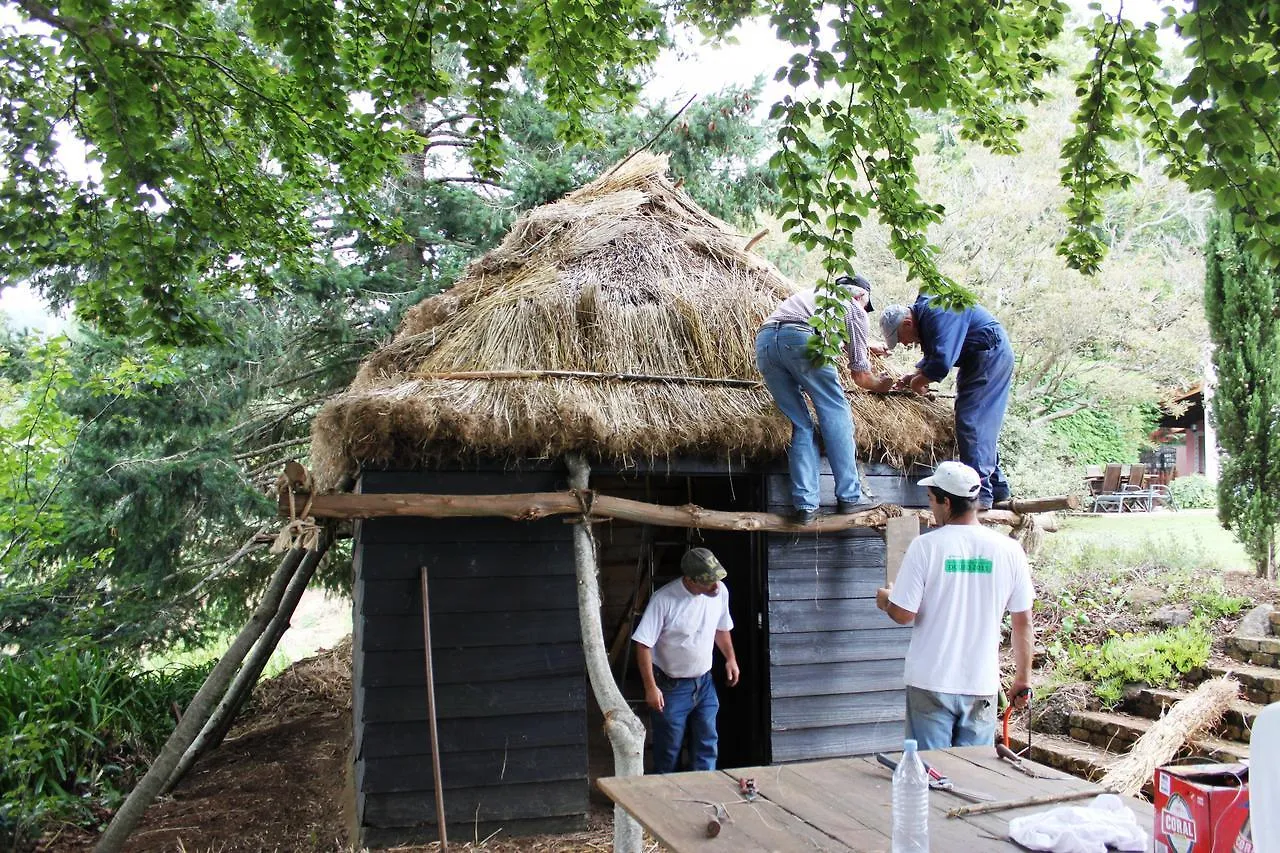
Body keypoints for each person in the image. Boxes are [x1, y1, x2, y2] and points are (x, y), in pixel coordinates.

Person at [874, 461, 1034, 750]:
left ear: (946, 501)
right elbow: (1023, 621)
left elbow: (903, 613)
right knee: (974, 779)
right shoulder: (1009, 550)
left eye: (932, 500)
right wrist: (1023, 678)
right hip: (981, 684)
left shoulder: (927, 547)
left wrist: (886, 599)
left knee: (932, 775)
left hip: (931, 682)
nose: (932, 508)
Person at [755, 274, 895, 524]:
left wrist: (865, 346)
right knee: (835, 411)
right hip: (801, 339)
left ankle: (806, 506)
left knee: (800, 424)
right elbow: (861, 377)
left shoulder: (813, 296)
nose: (865, 310)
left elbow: (800, 330)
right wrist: (881, 385)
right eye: (866, 305)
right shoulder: (853, 306)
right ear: (861, 295)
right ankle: (850, 497)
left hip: (765, 342)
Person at [879, 294, 1015, 509]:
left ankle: (981, 494)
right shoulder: (929, 317)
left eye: (900, 338)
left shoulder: (938, 312)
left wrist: (918, 382)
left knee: (972, 422)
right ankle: (997, 488)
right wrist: (913, 376)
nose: (904, 344)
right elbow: (935, 355)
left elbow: (942, 361)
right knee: (971, 421)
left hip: (989, 355)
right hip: (976, 359)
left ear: (907, 323)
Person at [633, 547, 740, 773]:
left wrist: (730, 658)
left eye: (716, 579)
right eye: (708, 582)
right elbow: (643, 644)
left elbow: (721, 628)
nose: (715, 586)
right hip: (670, 686)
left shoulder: (719, 592)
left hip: (705, 682)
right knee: (669, 750)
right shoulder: (663, 599)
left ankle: (704, 793)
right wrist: (650, 688)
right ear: (690, 580)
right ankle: (666, 800)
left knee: (707, 743)